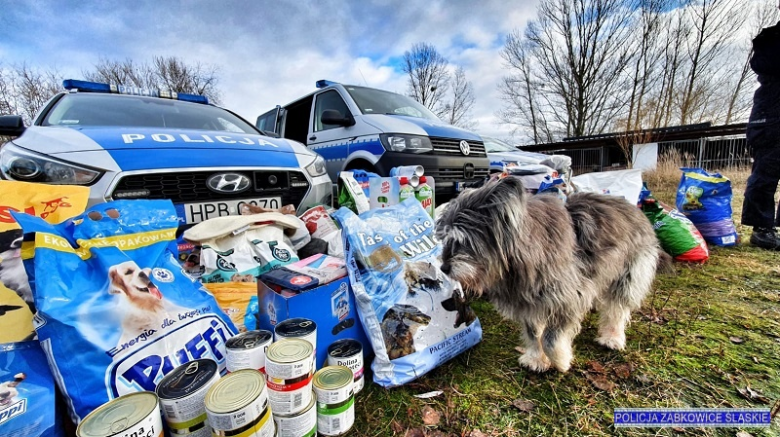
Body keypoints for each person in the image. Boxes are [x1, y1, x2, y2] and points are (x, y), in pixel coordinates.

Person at [742, 10, 780, 250]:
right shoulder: (771, 39)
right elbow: (760, 64)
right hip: (771, 115)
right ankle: (761, 229)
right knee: (766, 172)